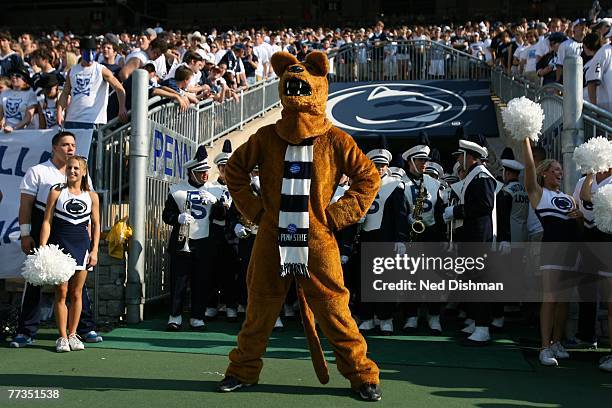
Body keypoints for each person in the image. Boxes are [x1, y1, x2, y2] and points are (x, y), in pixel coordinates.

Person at [10, 131, 102, 348]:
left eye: (73, 144)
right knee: (36, 280)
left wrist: (90, 243)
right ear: (54, 147)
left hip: (75, 236)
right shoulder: (38, 171)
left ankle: (83, 329)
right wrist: (25, 234)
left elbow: (90, 212)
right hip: (45, 230)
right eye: (65, 144)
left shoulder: (82, 174)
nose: (70, 148)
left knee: (77, 289)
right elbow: (25, 205)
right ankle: (26, 331)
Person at [522, 138, 581, 366]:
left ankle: (557, 341)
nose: (560, 172)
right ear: (545, 173)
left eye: (561, 169)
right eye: (555, 169)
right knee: (550, 298)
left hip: (570, 252)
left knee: (564, 300)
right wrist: (525, 139)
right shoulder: (539, 194)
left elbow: (579, 229)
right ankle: (544, 347)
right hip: (552, 249)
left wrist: (580, 218)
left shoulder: (568, 198)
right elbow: (528, 167)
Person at [442, 134, 502, 346]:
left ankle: (483, 327)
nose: (458, 160)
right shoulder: (474, 176)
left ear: (469, 156)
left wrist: (456, 211)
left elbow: (485, 206)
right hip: (472, 237)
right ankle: (477, 321)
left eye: (461, 156)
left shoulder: (482, 176)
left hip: (479, 239)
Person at [39, 156, 100, 352]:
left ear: (83, 172)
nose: (72, 171)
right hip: (60, 246)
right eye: (69, 167)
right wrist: (43, 247)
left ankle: (73, 334)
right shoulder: (57, 192)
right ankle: (62, 337)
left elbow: (97, 225)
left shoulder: (92, 196)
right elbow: (47, 221)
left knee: (76, 293)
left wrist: (95, 250)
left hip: (81, 247)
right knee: (62, 292)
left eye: (76, 168)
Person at [162, 146, 219, 331]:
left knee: (202, 281)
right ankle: (175, 316)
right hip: (181, 242)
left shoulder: (215, 190)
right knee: (179, 281)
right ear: (191, 173)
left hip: (205, 242)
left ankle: (197, 317)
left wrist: (216, 203)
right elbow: (166, 215)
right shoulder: (177, 189)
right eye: (200, 172)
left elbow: (223, 217)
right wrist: (177, 218)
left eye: (206, 171)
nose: (205, 175)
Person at [357, 147, 409, 335]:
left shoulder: (395, 185)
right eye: (376, 165)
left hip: (386, 237)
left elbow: (401, 215)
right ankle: (367, 317)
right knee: (365, 278)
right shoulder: (361, 184)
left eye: (383, 165)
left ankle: (386, 319)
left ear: (387, 167)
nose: (379, 168)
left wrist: (401, 239)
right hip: (366, 235)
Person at [400, 138, 445, 334]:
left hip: (432, 235)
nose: (423, 163)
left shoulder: (435, 184)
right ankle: (411, 316)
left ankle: (434, 316)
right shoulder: (399, 183)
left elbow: (441, 212)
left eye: (425, 160)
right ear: (409, 161)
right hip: (412, 237)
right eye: (419, 160)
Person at [58, 36, 128, 128]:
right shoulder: (72, 71)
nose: (91, 54)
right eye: (87, 51)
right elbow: (65, 93)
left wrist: (122, 107)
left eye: (93, 51)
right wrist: (59, 112)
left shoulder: (101, 69)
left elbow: (119, 88)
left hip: (94, 120)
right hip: (73, 119)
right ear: (82, 52)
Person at [0, 66, 37, 132]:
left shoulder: (30, 93)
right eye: (12, 75)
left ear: (25, 79)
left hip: (24, 132)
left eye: (18, 75)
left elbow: (28, 118)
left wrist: (14, 128)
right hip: (6, 131)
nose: (13, 77)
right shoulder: (4, 93)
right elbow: (1, 114)